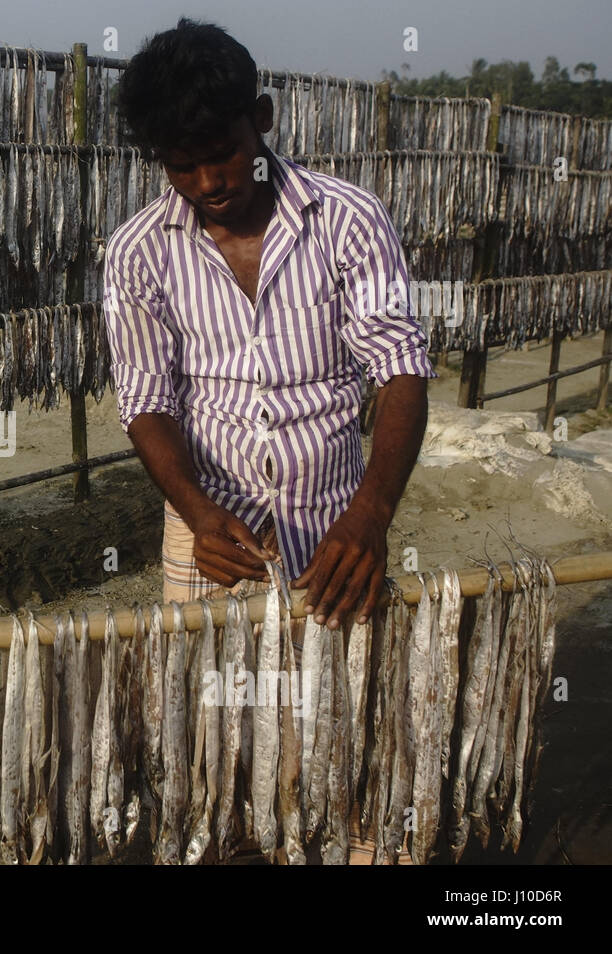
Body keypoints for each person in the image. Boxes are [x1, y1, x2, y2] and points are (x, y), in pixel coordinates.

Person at [104, 19, 432, 632]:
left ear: (262, 116)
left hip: (337, 532)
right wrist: (197, 512)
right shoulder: (137, 251)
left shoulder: (348, 221)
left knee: (331, 713)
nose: (209, 183)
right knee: (209, 714)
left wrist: (372, 514)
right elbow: (147, 401)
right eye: (182, 165)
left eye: (223, 154)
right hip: (210, 540)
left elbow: (401, 368)